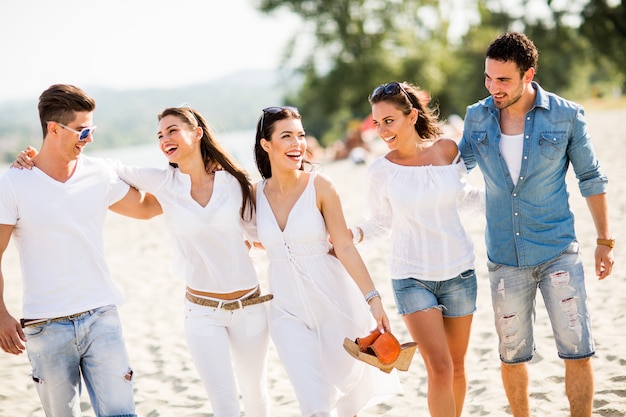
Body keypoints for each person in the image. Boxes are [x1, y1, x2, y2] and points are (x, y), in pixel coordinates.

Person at [11, 106, 274, 417]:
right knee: (224, 404)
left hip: (250, 306)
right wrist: (35, 158)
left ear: (198, 133)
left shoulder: (235, 182)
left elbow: (265, 235)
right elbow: (108, 167)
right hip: (202, 312)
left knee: (256, 396)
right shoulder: (164, 183)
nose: (164, 139)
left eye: (172, 130)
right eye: (160, 135)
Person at [458, 32, 614, 417]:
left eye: (504, 80)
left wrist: (605, 241)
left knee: (577, 350)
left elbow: (591, 178)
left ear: (528, 75)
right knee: (512, 357)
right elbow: (454, 168)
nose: (493, 88)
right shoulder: (477, 116)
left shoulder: (567, 115)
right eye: (488, 78)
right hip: (504, 258)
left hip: (558, 251)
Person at [0, 84, 162, 417]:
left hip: (102, 317)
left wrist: (192, 176)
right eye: (83, 130)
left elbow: (145, 208)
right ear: (54, 128)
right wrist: (0, 313)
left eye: (92, 129)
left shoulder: (99, 174)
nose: (89, 138)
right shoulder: (14, 183)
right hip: (45, 327)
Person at [253, 106, 402, 416]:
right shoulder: (255, 195)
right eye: (286, 137)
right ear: (266, 145)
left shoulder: (320, 186)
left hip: (335, 302)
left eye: (301, 135)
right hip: (285, 312)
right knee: (314, 404)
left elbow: (345, 247)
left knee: (348, 402)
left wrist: (373, 300)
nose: (297, 144)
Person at [351, 81, 484, 417]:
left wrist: (511, 202)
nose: (382, 130)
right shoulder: (381, 171)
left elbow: (464, 196)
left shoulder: (446, 150)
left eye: (389, 120)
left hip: (460, 273)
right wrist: (351, 235)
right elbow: (380, 223)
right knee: (438, 368)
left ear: (411, 116)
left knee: (456, 366)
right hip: (411, 279)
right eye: (377, 123)